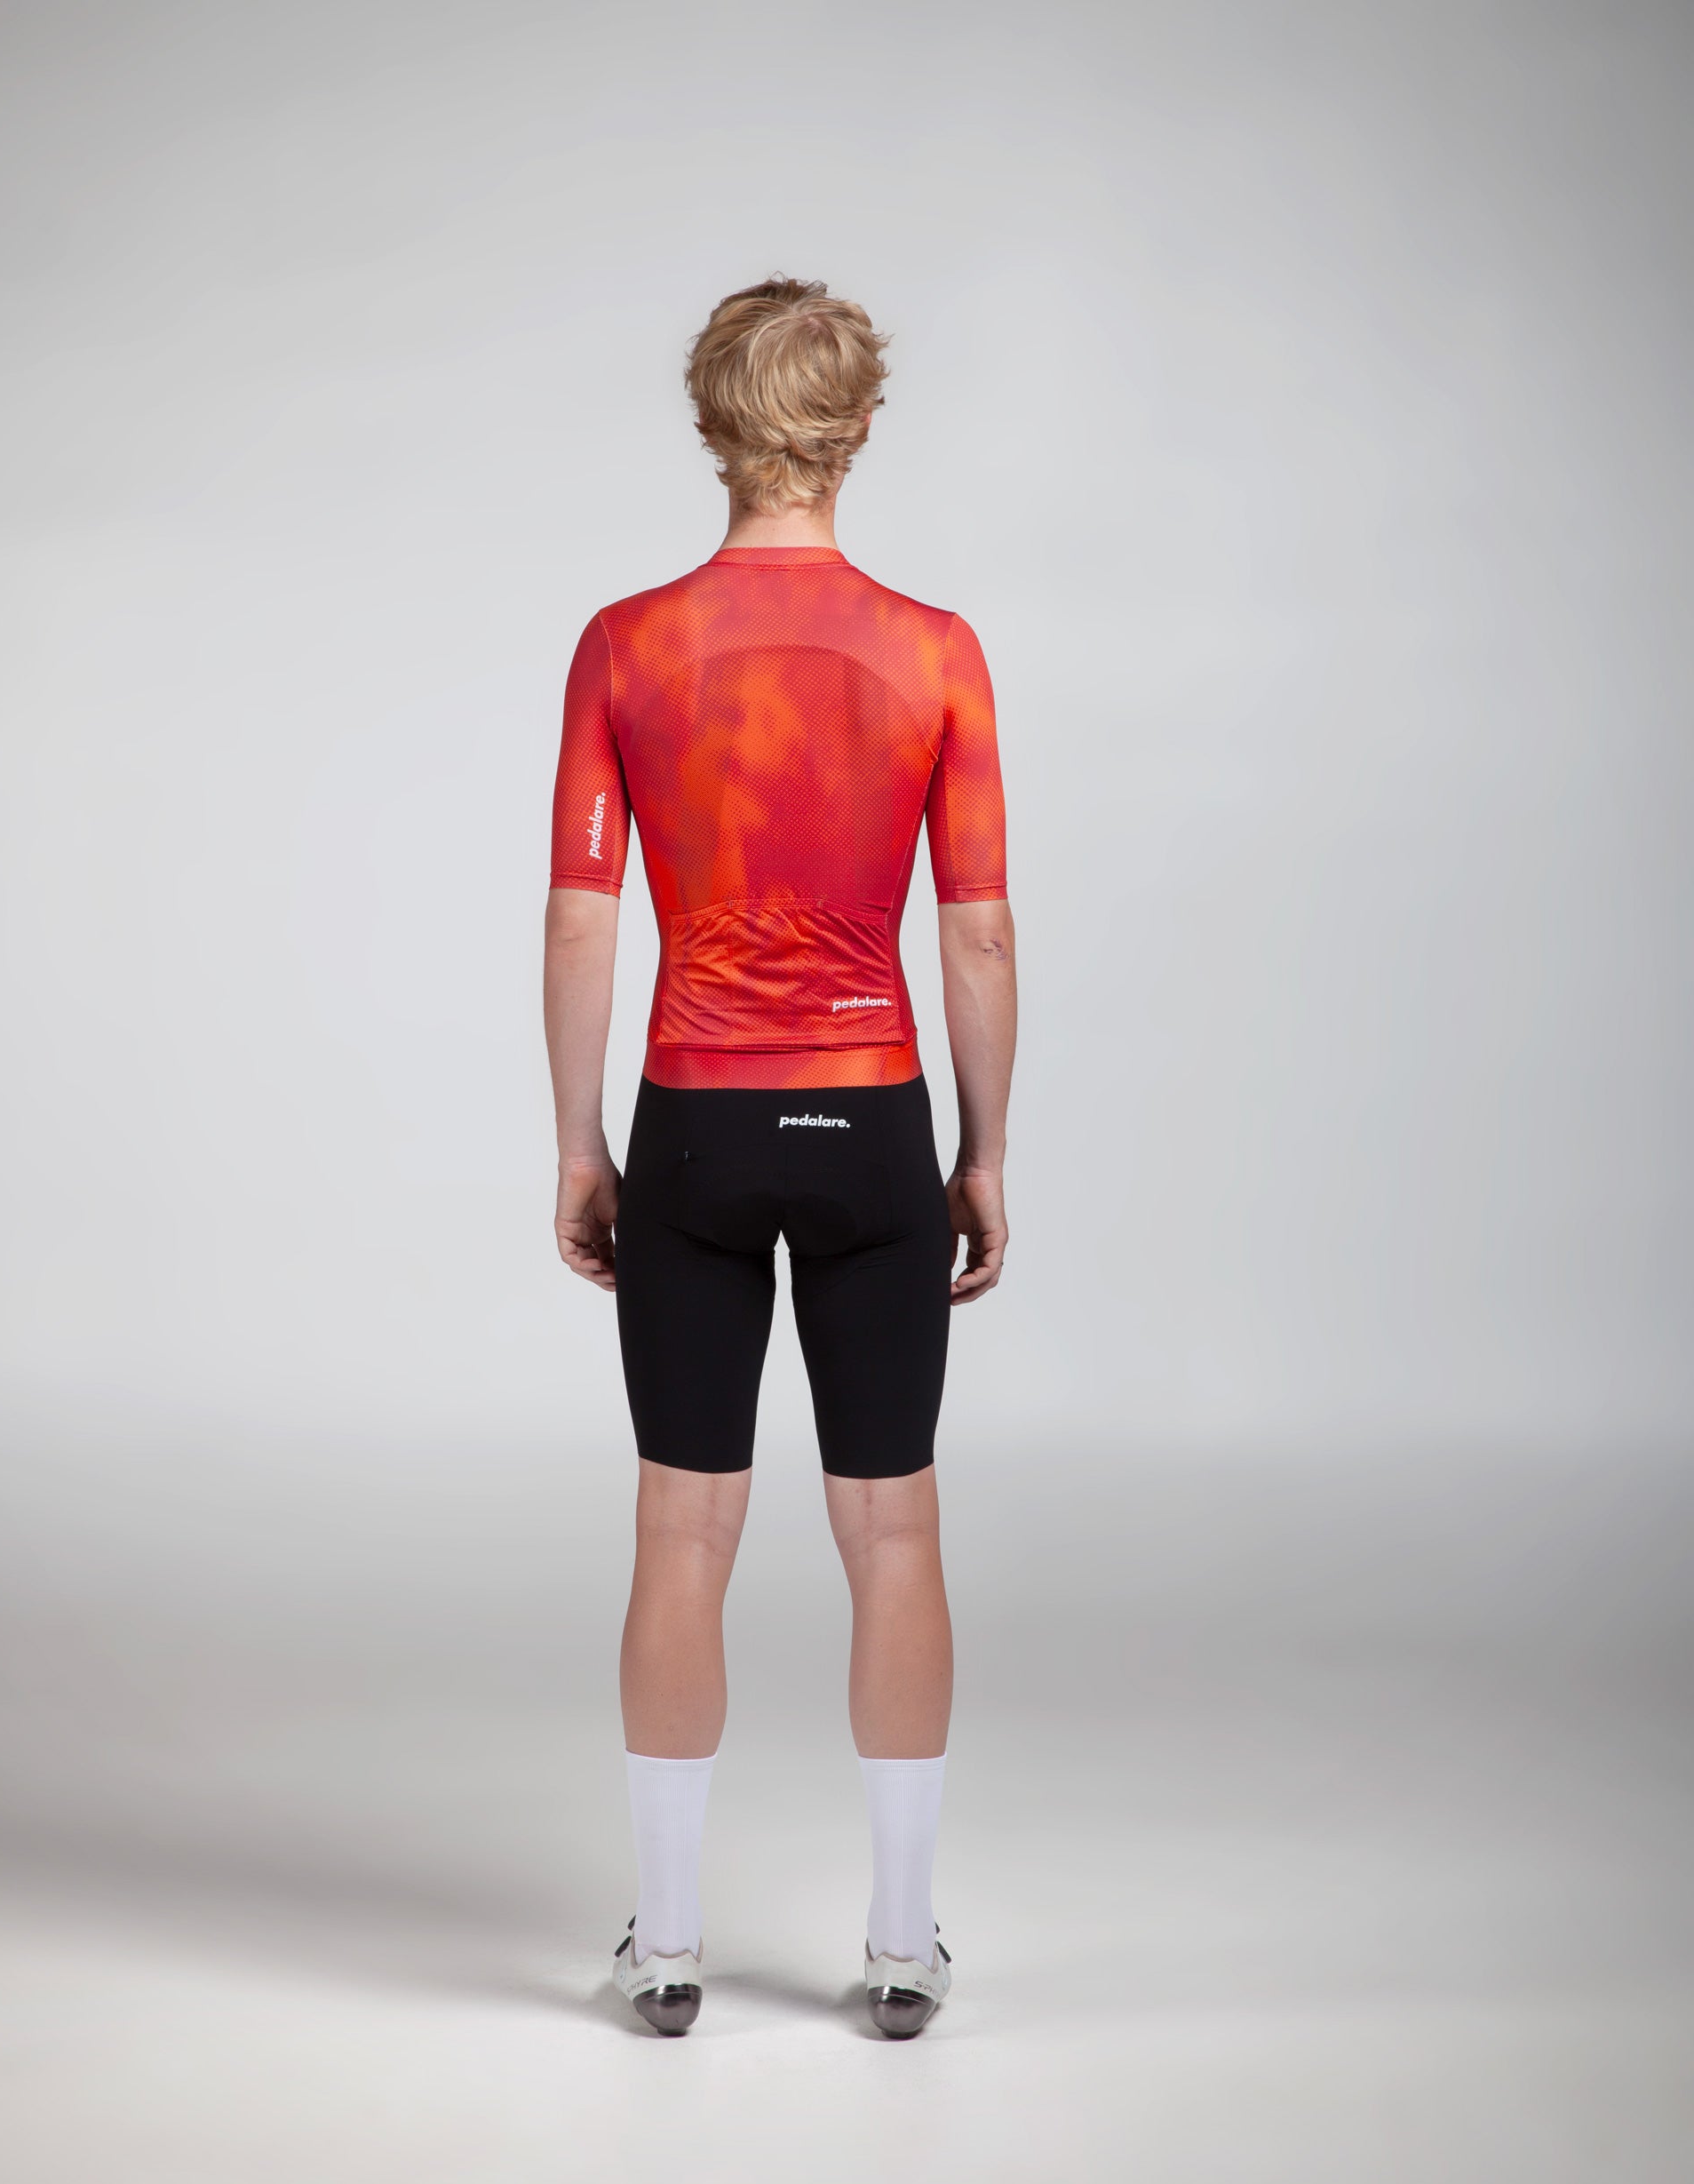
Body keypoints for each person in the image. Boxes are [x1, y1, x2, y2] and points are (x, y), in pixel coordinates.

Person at [543, 278, 1015, 2038]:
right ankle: (899, 1945)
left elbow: (580, 917)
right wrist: (982, 1148)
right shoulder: (937, 650)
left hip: (693, 1120)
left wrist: (581, 1141)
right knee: (892, 1525)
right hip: (874, 1111)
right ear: (860, 427)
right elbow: (976, 930)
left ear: (709, 427)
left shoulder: (624, 643)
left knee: (684, 1522)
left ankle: (667, 1946)